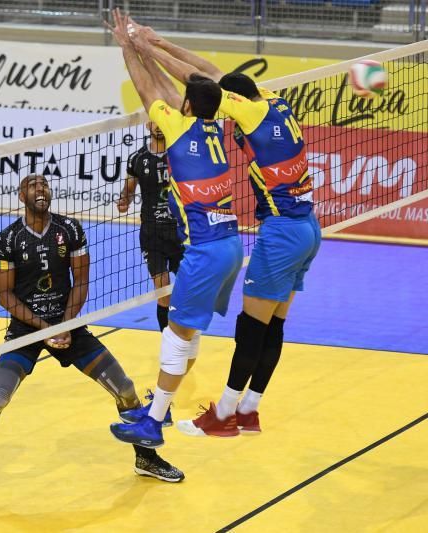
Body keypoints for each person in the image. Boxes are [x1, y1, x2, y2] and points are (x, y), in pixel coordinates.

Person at [130, 27, 322, 437]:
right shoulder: (272, 99)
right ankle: (249, 410)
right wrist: (159, 44)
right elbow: (211, 74)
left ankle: (222, 416)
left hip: (282, 231)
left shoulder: (245, 113)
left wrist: (143, 47)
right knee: (273, 325)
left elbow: (202, 82)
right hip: (309, 227)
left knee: (251, 327)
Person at [0, 174, 184, 500]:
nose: (41, 189)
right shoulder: (7, 241)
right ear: (21, 196)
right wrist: (45, 330)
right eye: (33, 185)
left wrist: (63, 324)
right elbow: (4, 296)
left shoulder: (70, 229)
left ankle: (146, 458)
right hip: (26, 331)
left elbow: (82, 281)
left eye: (45, 185)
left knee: (127, 390)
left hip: (67, 324)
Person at [105, 9, 243, 449]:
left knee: (174, 333)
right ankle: (167, 400)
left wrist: (129, 46)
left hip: (204, 250)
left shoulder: (177, 130)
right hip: (231, 246)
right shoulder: (215, 126)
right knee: (188, 331)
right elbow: (205, 78)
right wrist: (151, 45)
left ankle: (153, 419)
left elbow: (149, 88)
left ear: (184, 106)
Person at [117, 121, 184, 426]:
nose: (159, 125)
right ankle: (170, 342)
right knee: (163, 296)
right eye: (155, 120)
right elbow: (129, 190)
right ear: (148, 124)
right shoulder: (137, 159)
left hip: (182, 233)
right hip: (152, 236)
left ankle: (180, 343)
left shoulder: (181, 152)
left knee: (186, 295)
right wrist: (124, 199)